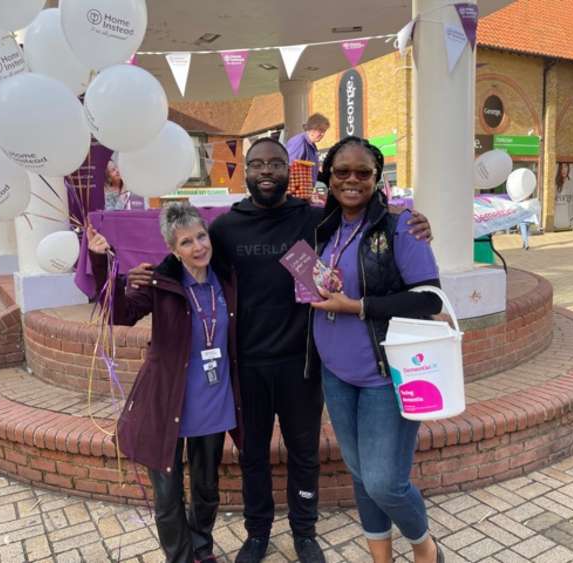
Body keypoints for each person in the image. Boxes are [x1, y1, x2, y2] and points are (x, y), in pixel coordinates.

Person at [127, 137, 432, 563]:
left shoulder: (313, 219)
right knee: (253, 456)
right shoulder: (225, 229)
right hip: (246, 366)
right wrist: (143, 278)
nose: (267, 171)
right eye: (257, 164)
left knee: (303, 453)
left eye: (276, 163)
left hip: (302, 362)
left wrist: (412, 222)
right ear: (246, 172)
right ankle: (257, 533)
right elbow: (188, 264)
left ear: (291, 171)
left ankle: (305, 532)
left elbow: (364, 215)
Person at [308, 137, 444, 563]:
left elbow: (429, 299)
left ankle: (424, 548)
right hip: (336, 374)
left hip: (385, 375)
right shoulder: (322, 228)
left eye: (362, 172)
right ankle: (379, 558)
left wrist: (358, 307)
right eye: (341, 172)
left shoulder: (400, 227)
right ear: (327, 178)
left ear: (377, 179)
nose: (352, 180)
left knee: (385, 482)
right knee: (362, 474)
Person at [87, 203, 243, 563]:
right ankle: (180, 558)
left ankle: (201, 548)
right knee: (168, 493)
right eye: (186, 242)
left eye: (201, 236)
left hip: (214, 397)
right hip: (167, 401)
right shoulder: (160, 281)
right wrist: (102, 265)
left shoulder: (227, 278)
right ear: (173, 249)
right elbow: (119, 314)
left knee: (206, 488)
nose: (198, 247)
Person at [286, 113, 330, 187]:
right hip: (296, 192)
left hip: (306, 191)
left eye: (324, 131)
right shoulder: (299, 142)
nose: (323, 134)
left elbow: (312, 171)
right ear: (312, 128)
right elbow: (288, 166)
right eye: (321, 131)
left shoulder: (312, 146)